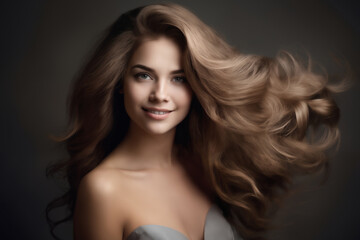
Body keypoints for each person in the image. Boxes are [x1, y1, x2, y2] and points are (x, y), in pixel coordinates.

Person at [46, 3, 342, 240]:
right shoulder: (103, 189)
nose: (160, 95)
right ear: (120, 82)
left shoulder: (201, 163)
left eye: (179, 79)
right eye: (144, 75)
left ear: (197, 86)